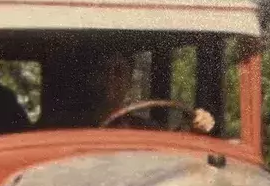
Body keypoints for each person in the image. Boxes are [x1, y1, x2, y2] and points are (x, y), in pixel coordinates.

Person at [86, 50, 215, 134]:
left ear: (129, 81)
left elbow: (170, 149)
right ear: (92, 79)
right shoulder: (75, 124)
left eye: (118, 72)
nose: (111, 78)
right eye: (105, 71)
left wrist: (196, 128)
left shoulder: (143, 127)